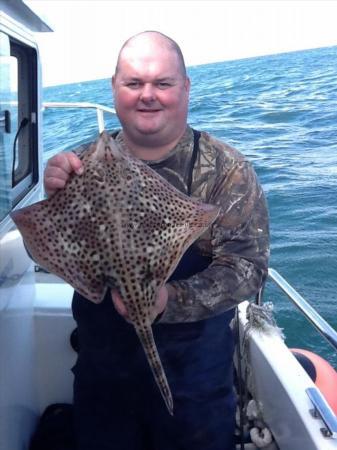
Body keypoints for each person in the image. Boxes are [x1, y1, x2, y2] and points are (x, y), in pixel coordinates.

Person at [44, 31, 269, 450]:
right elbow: (50, 250)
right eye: (133, 83)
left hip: (195, 381)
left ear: (185, 88)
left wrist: (169, 298)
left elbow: (248, 268)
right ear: (114, 88)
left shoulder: (224, 169)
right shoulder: (77, 162)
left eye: (162, 83)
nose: (148, 95)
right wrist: (54, 198)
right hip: (104, 375)